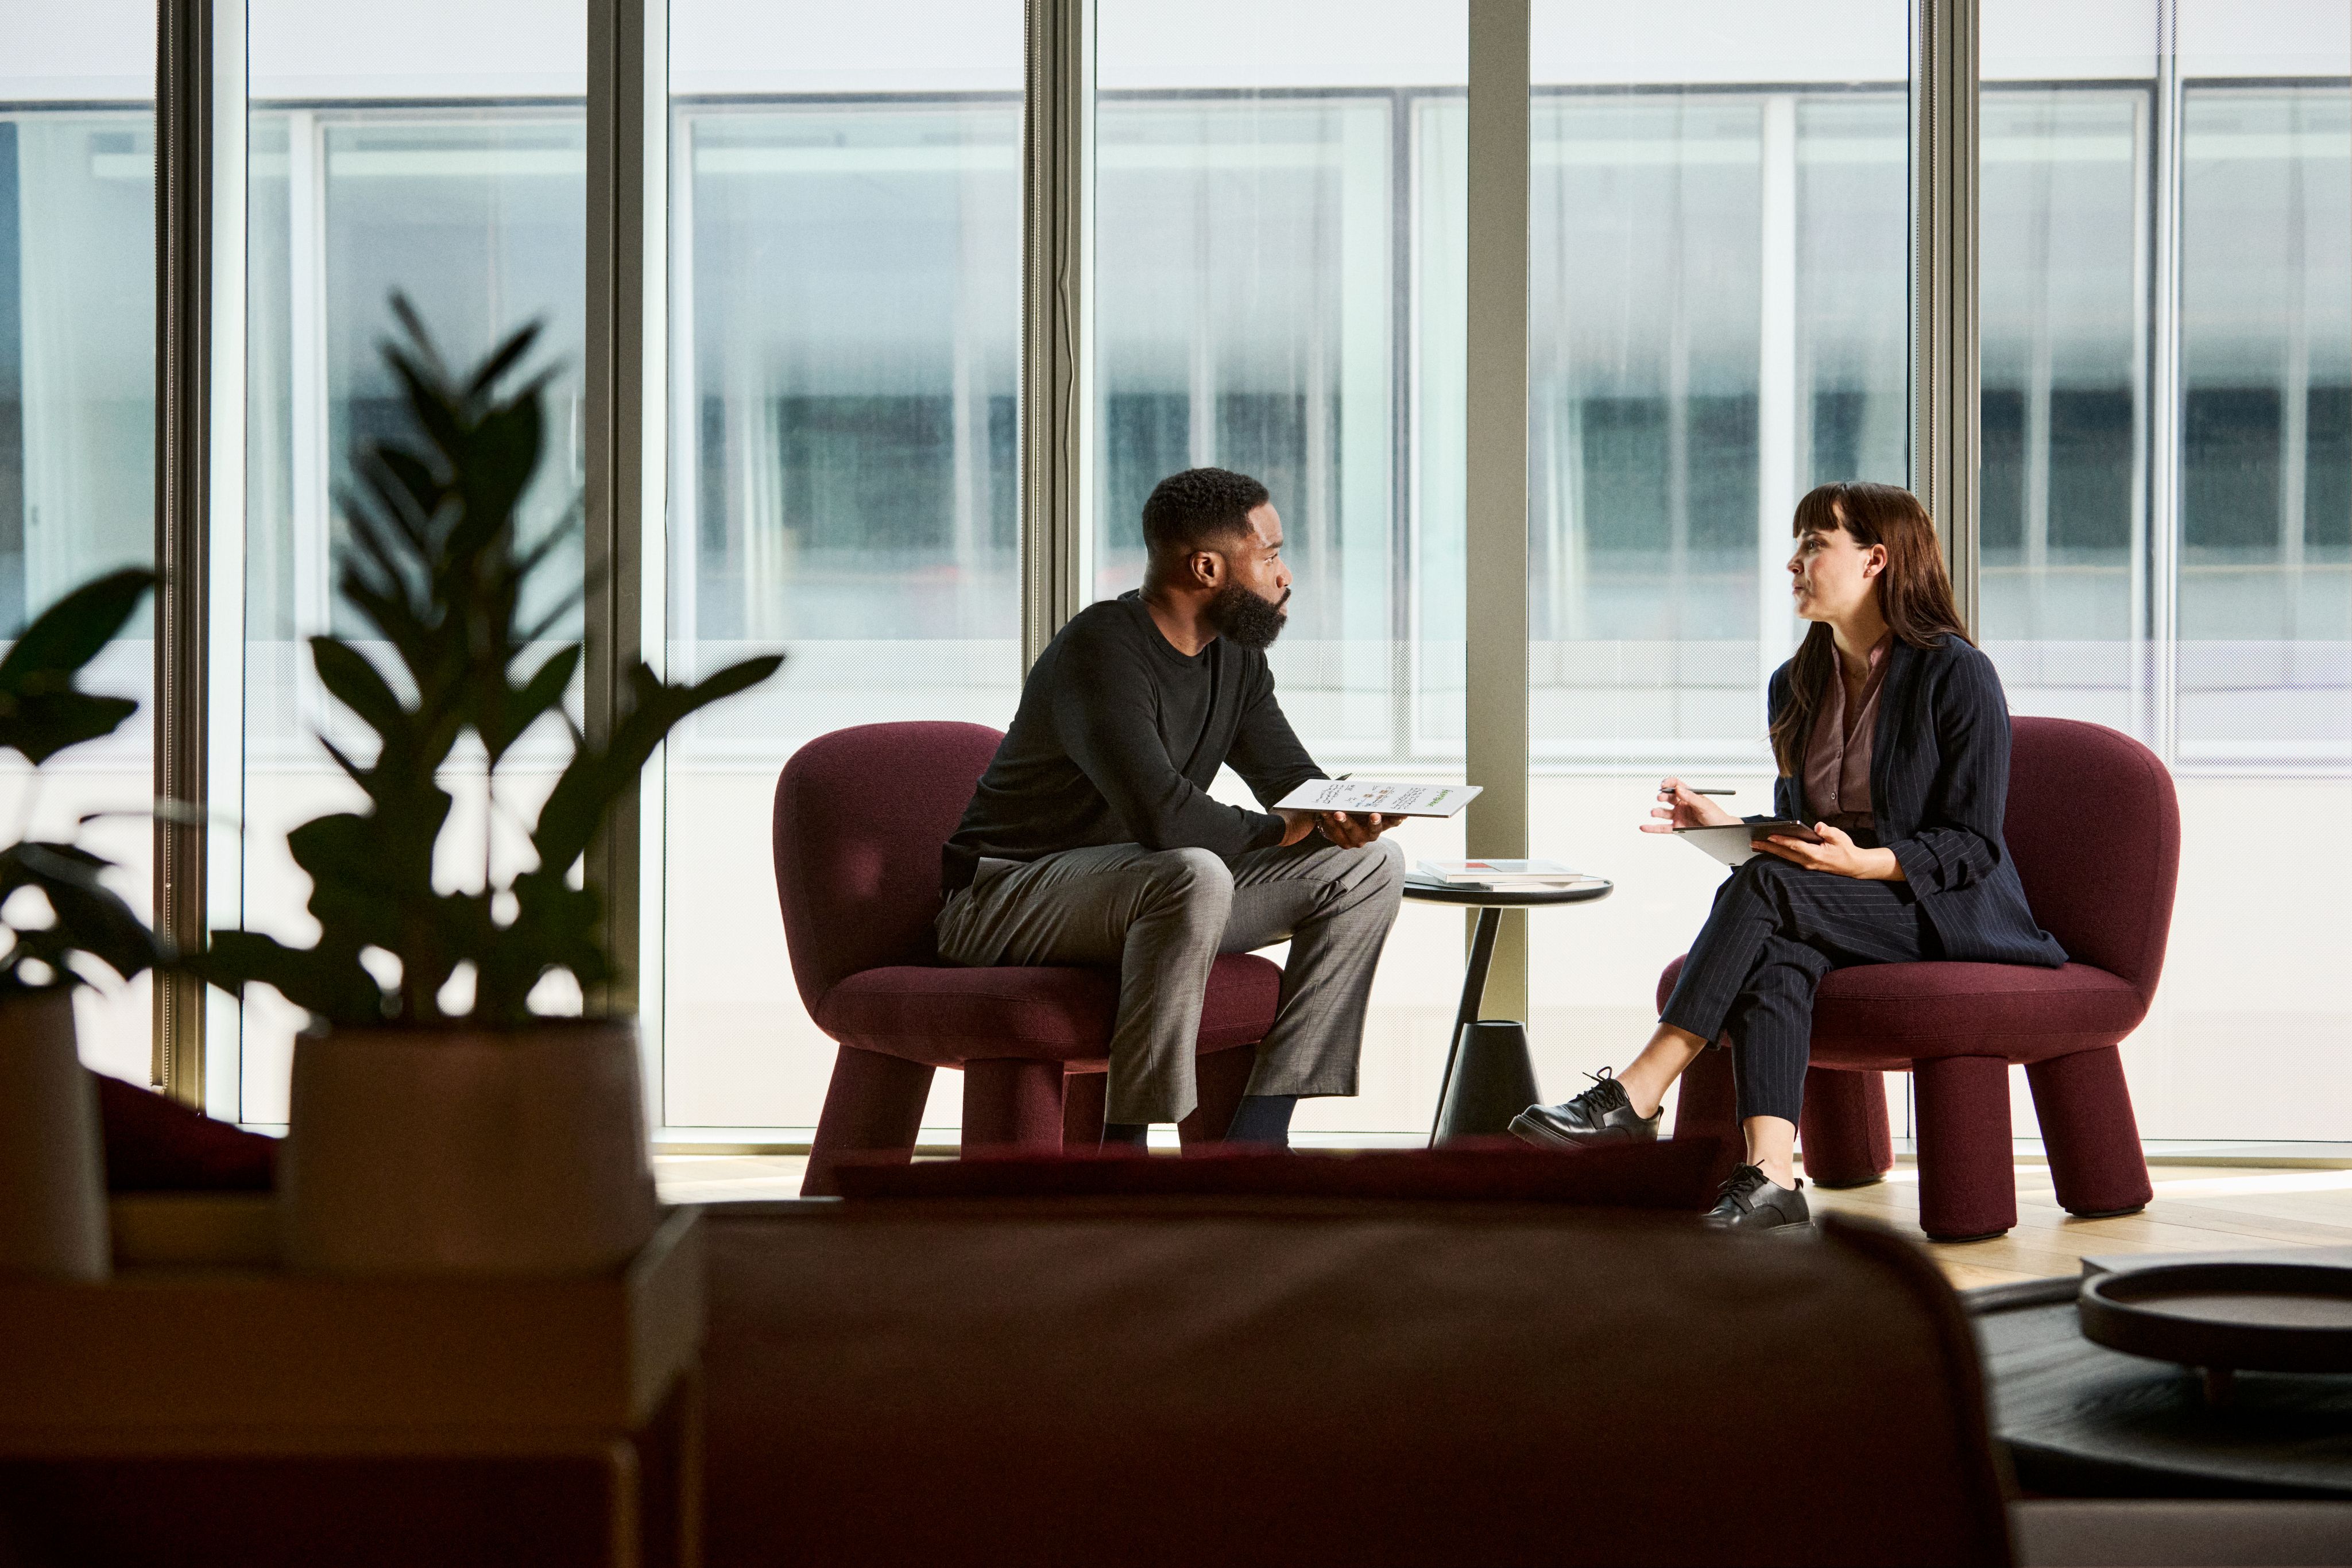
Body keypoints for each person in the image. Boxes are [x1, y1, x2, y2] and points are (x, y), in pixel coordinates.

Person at [1510, 481, 2065, 1230]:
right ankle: (1771, 1174)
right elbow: (1813, 829)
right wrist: (1733, 825)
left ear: (1876, 559)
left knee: (1772, 889)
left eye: (1814, 543)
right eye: (1798, 544)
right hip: (1831, 896)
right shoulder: (1794, 683)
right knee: (1781, 953)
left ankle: (1638, 1091)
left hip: (1940, 906)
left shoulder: (1956, 671)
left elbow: (1972, 843)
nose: (1793, 563)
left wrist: (1861, 865)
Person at [936, 467, 1406, 1150]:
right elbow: (1168, 819)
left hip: (1143, 894)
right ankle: (1128, 1143)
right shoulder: (1101, 650)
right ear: (1208, 566)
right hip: (1003, 898)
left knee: (1370, 867)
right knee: (1192, 869)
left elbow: (1290, 780)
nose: (1286, 576)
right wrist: (1286, 827)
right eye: (1269, 555)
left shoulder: (1234, 659)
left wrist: (1340, 811)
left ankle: (1259, 1134)